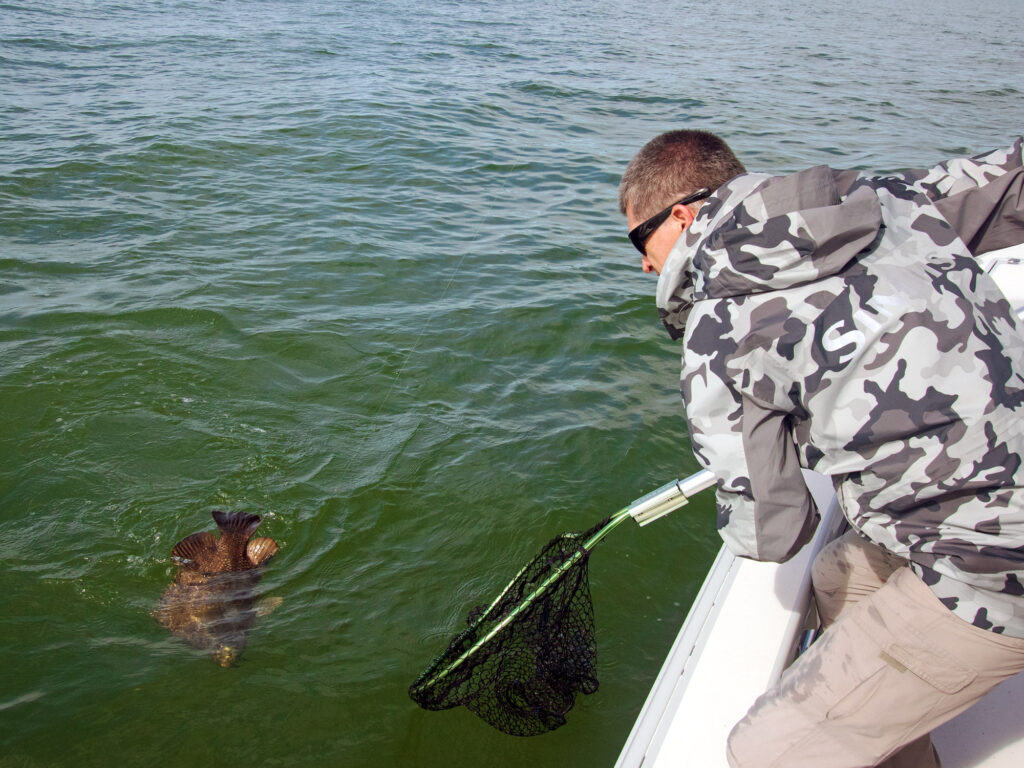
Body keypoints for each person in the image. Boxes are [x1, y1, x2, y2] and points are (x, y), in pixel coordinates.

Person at [618, 130, 1024, 768]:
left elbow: (773, 532)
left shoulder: (716, 332)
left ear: (683, 215)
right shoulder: (885, 197)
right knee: (839, 575)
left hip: (996, 564)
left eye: (640, 241)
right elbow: (1012, 180)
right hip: (984, 512)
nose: (645, 264)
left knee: (763, 751)